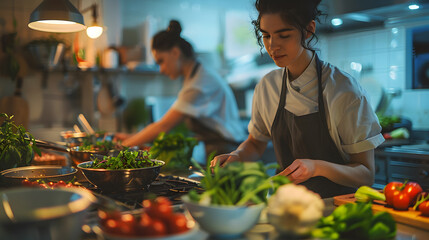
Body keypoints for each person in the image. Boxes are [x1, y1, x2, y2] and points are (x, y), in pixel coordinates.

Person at [211, 0, 385, 198]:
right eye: (266, 35)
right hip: (286, 207)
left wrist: (317, 167)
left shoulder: (344, 91)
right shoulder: (268, 87)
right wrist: (237, 156)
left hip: (337, 208)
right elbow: (255, 142)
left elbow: (366, 174)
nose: (272, 46)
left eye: (284, 35)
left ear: (309, 29)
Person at [116, 20, 246, 158]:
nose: (161, 70)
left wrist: (121, 147)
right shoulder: (196, 74)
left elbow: (163, 126)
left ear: (175, 52)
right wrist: (132, 137)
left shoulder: (198, 84)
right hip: (221, 147)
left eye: (161, 61)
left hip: (227, 150)